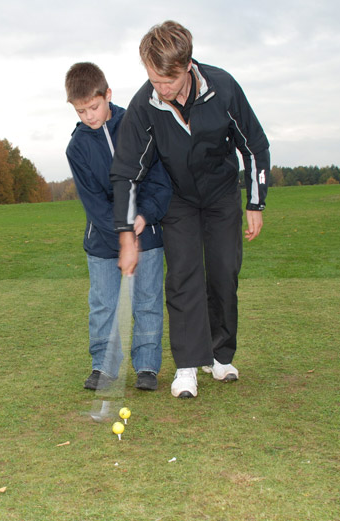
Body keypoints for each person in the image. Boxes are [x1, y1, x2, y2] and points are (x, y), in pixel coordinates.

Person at [110, 21, 270, 398]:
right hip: (179, 198)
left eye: (169, 81)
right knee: (183, 275)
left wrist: (255, 201)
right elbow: (125, 172)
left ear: (187, 65)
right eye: (154, 79)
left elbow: (255, 145)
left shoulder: (223, 88)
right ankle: (186, 366)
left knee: (223, 273)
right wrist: (124, 233)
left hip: (221, 194)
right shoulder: (144, 106)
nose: (161, 89)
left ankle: (220, 355)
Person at [65, 62, 172, 391]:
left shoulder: (137, 126)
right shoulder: (77, 147)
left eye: (94, 107)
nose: (89, 117)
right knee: (103, 305)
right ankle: (104, 367)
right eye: (81, 111)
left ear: (107, 94)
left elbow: (160, 181)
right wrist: (122, 233)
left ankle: (147, 367)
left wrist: (142, 218)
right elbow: (95, 204)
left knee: (147, 301)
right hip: (102, 241)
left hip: (147, 234)